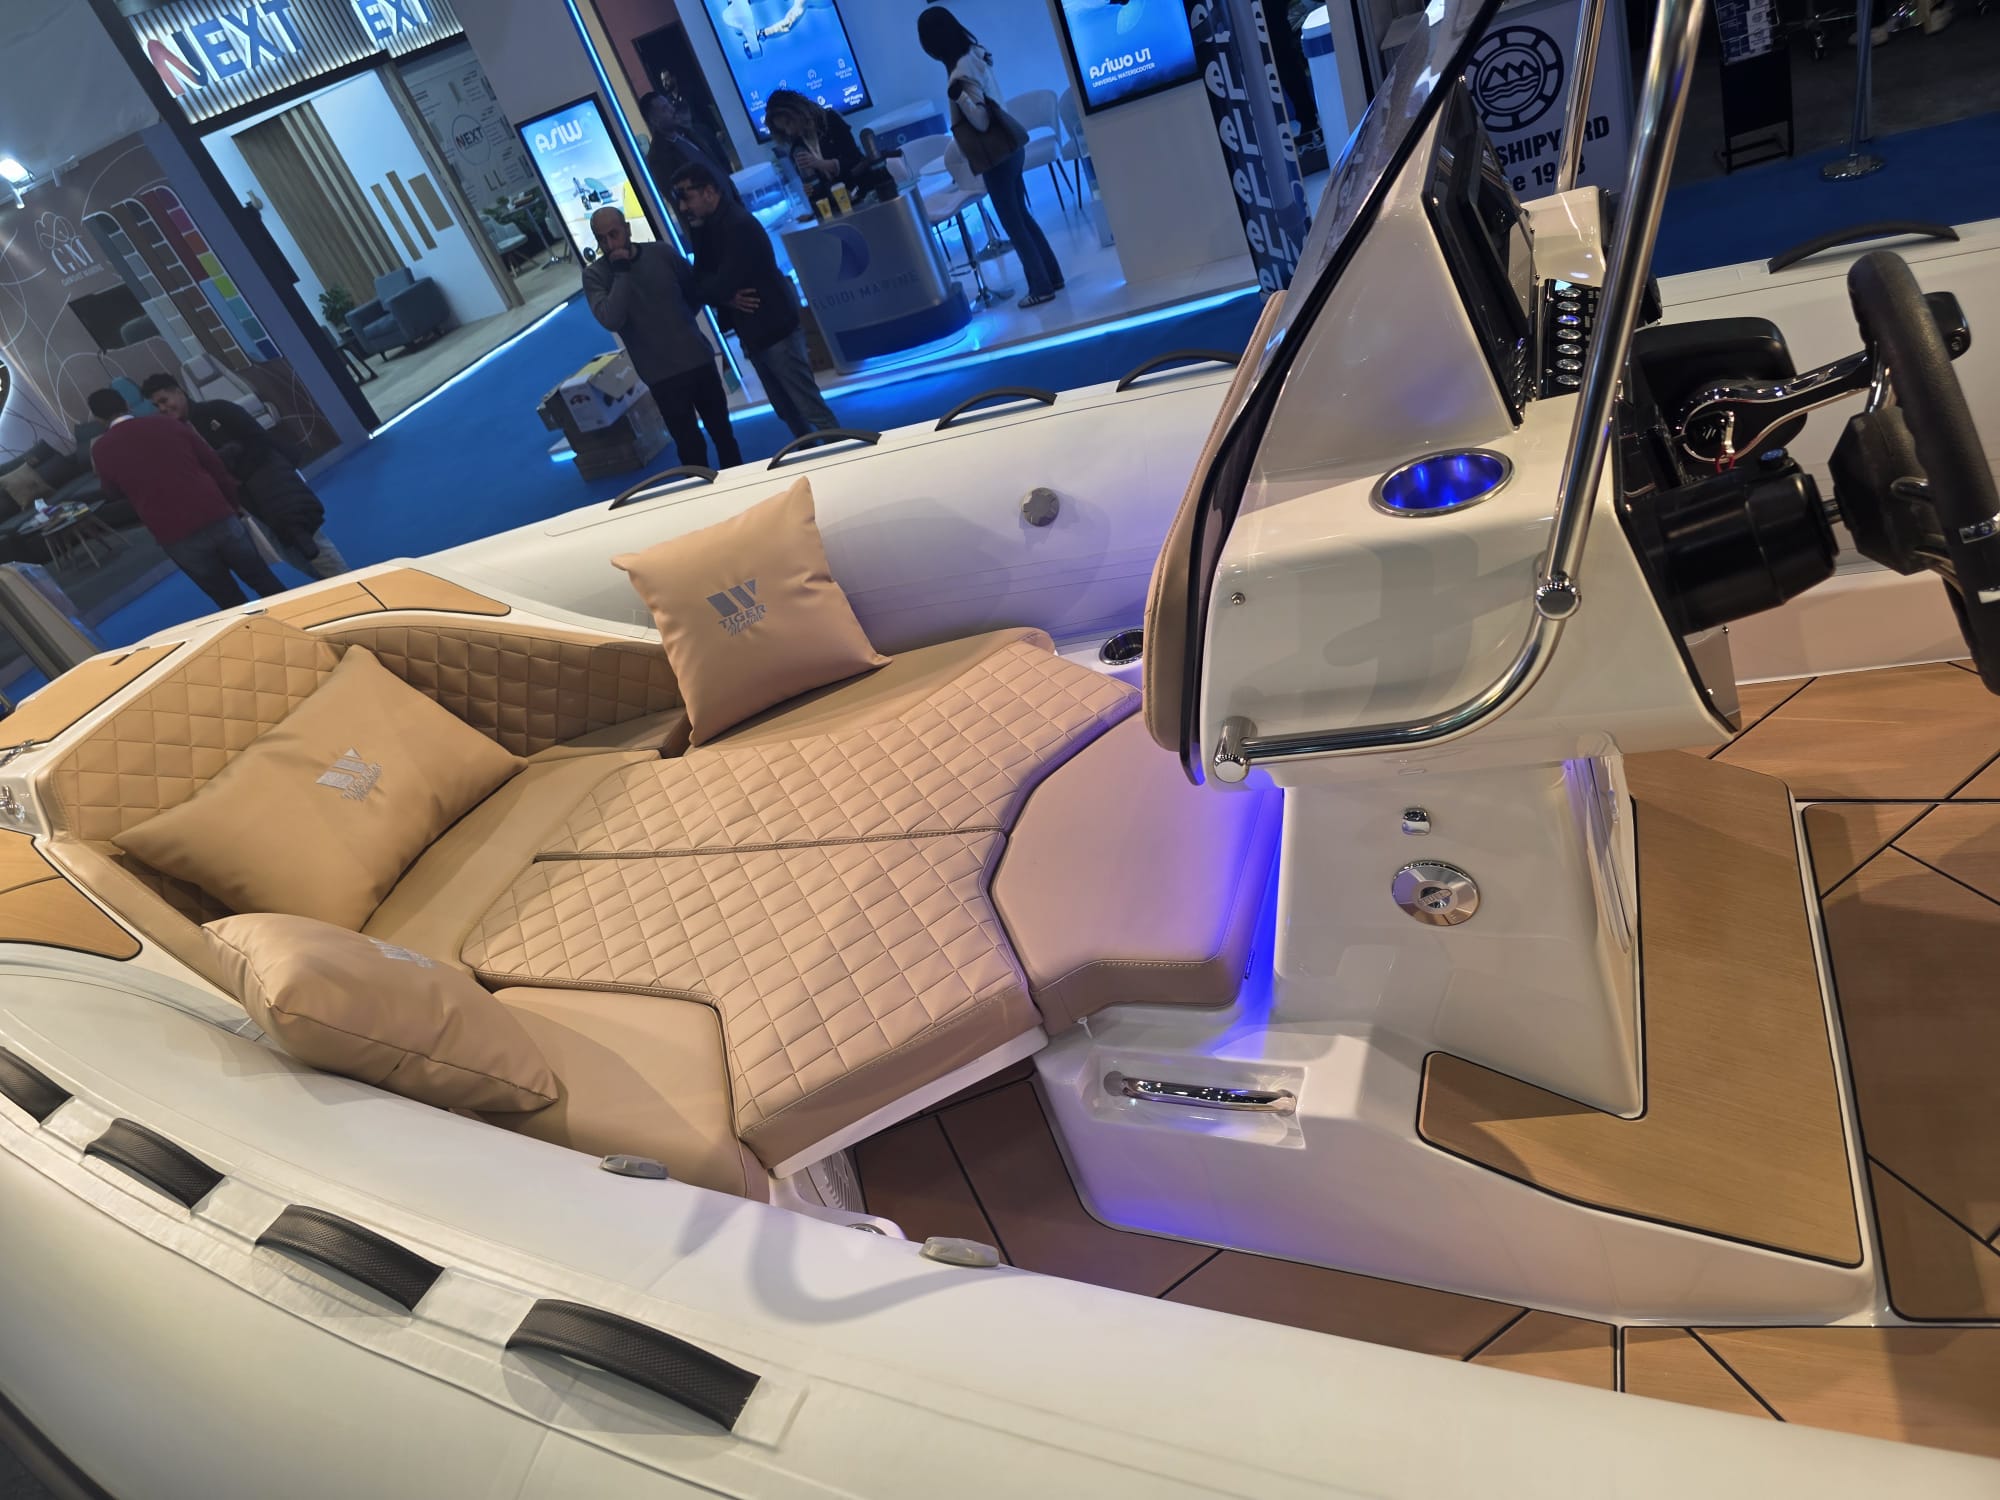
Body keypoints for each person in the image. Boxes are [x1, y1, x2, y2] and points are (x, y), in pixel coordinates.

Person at [670, 161, 838, 440]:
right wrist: (724, 296)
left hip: (775, 328)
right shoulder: (708, 227)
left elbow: (717, 284)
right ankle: (812, 453)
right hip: (755, 331)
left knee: (808, 407)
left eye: (686, 197)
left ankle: (844, 453)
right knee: (786, 408)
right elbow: (698, 285)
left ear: (709, 191)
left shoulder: (737, 225)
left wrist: (718, 292)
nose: (682, 207)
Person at [84, 388, 285, 611]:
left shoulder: (101, 450)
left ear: (98, 418)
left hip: (174, 533)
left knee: (228, 600)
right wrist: (232, 504)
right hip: (215, 512)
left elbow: (113, 493)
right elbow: (214, 465)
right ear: (126, 404)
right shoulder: (167, 423)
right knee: (263, 580)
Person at [917, 8, 1063, 310]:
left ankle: (1041, 286)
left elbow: (981, 121)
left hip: (995, 156)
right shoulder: (976, 54)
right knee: (1022, 217)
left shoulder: (959, 75)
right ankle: (1052, 276)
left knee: (1013, 224)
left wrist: (959, 97)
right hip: (1011, 148)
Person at [140, 373, 347, 581]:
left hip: (273, 485)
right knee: (288, 552)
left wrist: (236, 471)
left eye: (164, 400)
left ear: (178, 391)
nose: (163, 408)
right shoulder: (180, 435)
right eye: (157, 405)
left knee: (312, 542)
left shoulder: (218, 409)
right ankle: (331, 586)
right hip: (247, 501)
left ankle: (350, 583)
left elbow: (259, 440)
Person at [582, 206, 741, 471]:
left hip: (697, 360)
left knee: (724, 435)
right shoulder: (595, 276)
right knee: (690, 449)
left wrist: (678, 325)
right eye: (602, 239)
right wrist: (621, 272)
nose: (609, 244)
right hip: (662, 377)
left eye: (614, 234)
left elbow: (693, 294)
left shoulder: (661, 253)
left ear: (627, 230)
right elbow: (612, 319)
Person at [762, 89, 895, 205]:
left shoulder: (830, 120)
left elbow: (854, 159)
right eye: (783, 129)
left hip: (868, 192)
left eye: (788, 123)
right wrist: (810, 189)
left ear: (798, 112)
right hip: (838, 206)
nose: (789, 131)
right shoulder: (797, 148)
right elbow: (816, 186)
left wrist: (820, 164)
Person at [639, 90, 734, 209]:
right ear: (653, 120)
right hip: (713, 215)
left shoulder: (690, 133)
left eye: (669, 105)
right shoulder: (658, 157)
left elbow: (716, 166)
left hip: (731, 204)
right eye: (664, 109)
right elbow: (678, 200)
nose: (672, 110)